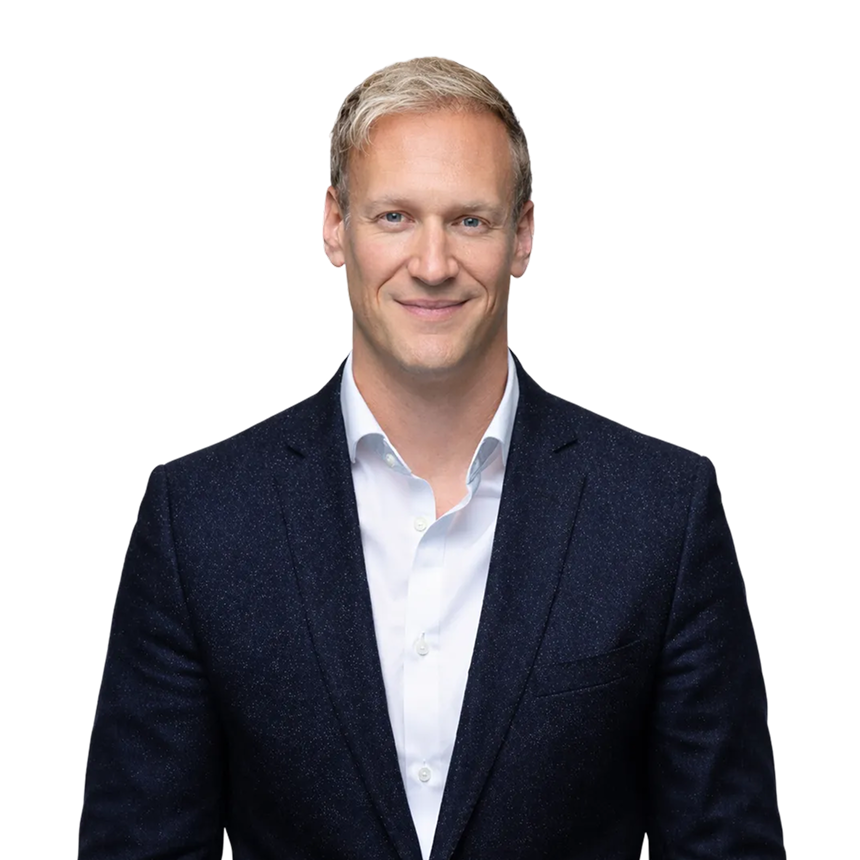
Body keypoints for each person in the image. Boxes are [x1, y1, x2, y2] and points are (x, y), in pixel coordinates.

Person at [78, 56, 785, 860]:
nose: (433, 263)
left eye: (470, 221)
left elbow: (726, 846)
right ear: (334, 228)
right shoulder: (199, 519)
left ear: (522, 237)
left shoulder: (661, 510)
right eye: (394, 217)